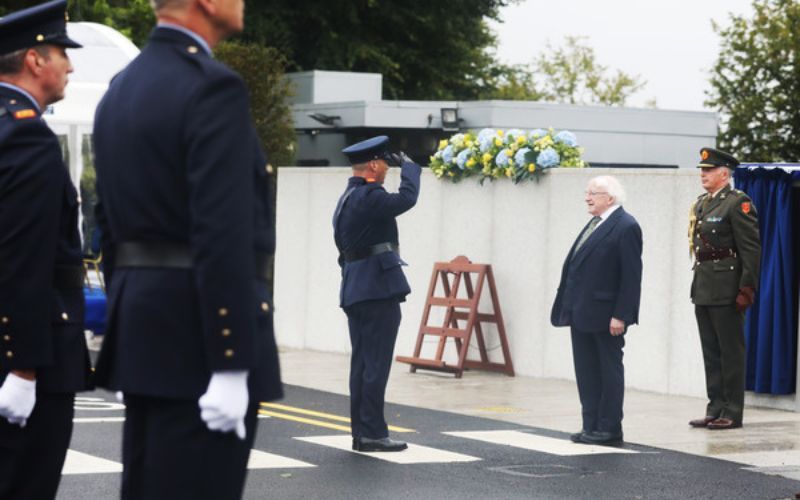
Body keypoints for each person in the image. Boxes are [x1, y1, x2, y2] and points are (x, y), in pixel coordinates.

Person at [92, 0, 282, 498]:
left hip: (145, 334)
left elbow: (108, 227)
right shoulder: (212, 86)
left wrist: (129, 324)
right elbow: (223, 230)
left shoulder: (120, 89)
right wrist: (230, 359)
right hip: (199, 343)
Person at [0, 1, 92, 498]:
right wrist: (23, 368)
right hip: (32, 358)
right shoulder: (25, 136)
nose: (70, 66)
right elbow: (23, 260)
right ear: (35, 60)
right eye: (62, 53)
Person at [333, 135, 420, 452]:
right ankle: (371, 433)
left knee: (362, 365)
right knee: (376, 365)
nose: (386, 169)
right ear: (372, 165)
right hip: (376, 291)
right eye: (384, 164)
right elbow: (406, 199)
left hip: (356, 289)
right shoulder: (370, 196)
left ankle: (362, 431)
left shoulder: (347, 198)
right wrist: (410, 167)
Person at [550, 176, 643, 446]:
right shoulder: (596, 222)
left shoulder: (626, 226)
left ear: (610, 198)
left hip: (606, 315)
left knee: (607, 371)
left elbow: (631, 277)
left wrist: (621, 315)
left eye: (594, 193)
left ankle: (609, 427)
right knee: (587, 371)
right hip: (581, 312)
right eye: (587, 192)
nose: (587, 197)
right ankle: (590, 424)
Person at [688, 147, 760, 430]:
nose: (703, 175)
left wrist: (747, 288)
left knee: (730, 353)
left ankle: (732, 411)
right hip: (704, 286)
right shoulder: (702, 203)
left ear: (724, 174)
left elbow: (750, 250)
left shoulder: (737, 203)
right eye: (702, 171)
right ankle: (715, 407)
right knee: (711, 352)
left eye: (709, 170)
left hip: (727, 288)